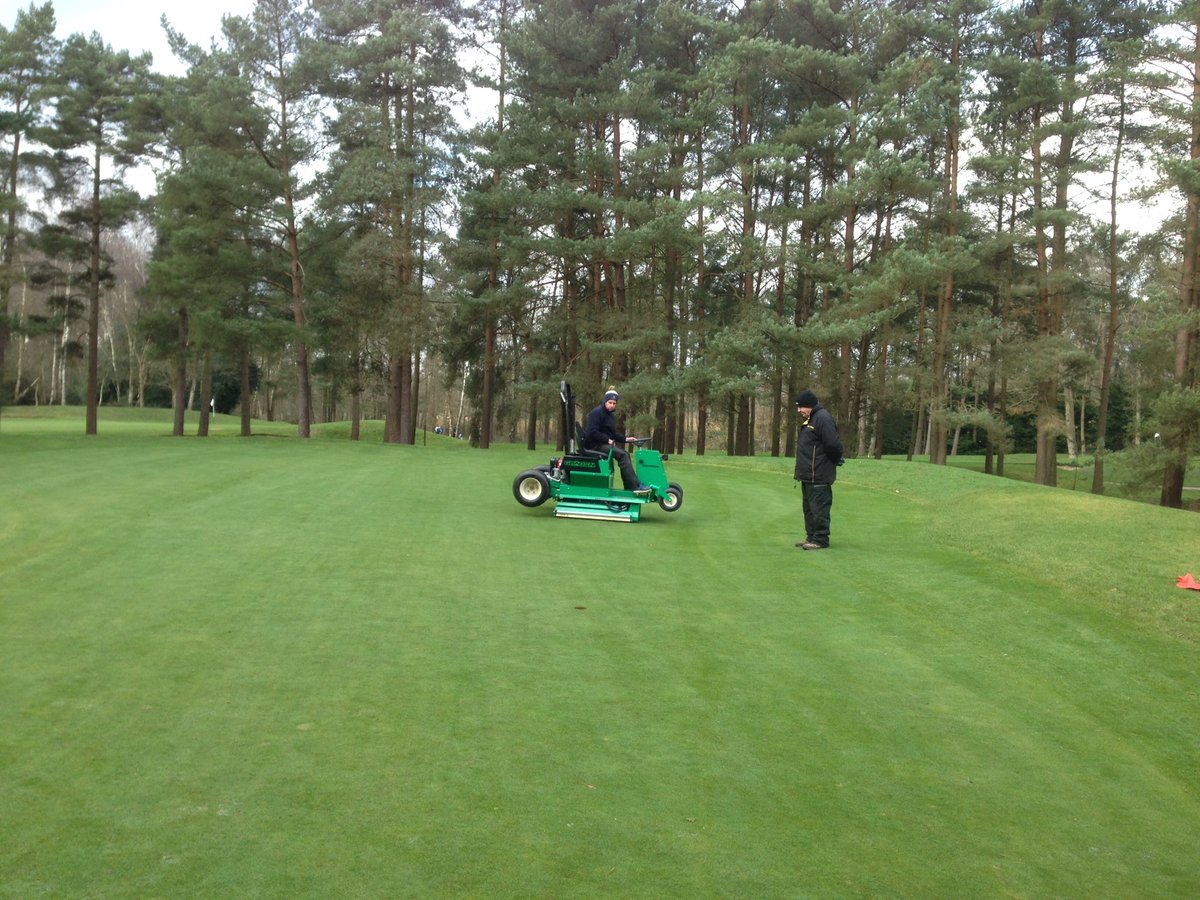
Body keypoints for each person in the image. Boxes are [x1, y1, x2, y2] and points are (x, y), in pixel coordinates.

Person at [793, 389, 843, 550]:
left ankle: (821, 539)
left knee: (819, 508)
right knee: (808, 509)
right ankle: (811, 537)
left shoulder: (823, 418)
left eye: (801, 407)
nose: (799, 410)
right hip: (808, 475)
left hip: (819, 474)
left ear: (809, 405)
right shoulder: (811, 419)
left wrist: (835, 460)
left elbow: (833, 445)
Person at [583, 389, 650, 493]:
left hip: (604, 444)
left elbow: (613, 434)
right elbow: (592, 432)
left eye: (614, 403)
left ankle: (630, 486)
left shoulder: (611, 416)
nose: (612, 405)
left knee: (624, 454)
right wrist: (607, 440)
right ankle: (634, 486)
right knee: (623, 455)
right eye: (610, 403)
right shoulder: (596, 413)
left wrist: (626, 439)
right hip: (595, 445)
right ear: (605, 401)